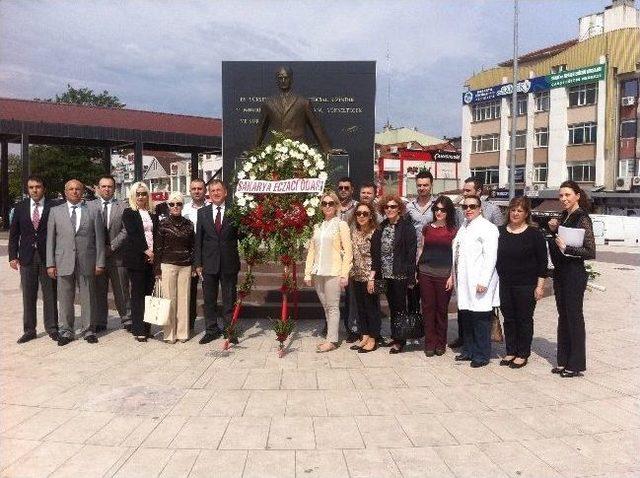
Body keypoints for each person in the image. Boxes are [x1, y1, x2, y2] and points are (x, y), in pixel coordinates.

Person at [46, 179, 105, 346]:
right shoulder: (55, 211)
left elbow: (99, 239)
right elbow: (50, 240)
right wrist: (50, 263)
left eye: (77, 189)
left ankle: (89, 330)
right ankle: (66, 331)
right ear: (65, 192)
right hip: (63, 260)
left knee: (88, 296)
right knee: (64, 298)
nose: (74, 192)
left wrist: (100, 262)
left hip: (87, 260)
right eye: (71, 189)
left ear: (82, 191)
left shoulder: (93, 210)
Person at [547, 181, 596, 378]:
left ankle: (575, 365)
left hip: (574, 274)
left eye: (567, 195)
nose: (564, 199)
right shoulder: (564, 216)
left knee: (574, 317)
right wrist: (553, 230)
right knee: (563, 316)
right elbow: (558, 245)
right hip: (561, 272)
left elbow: (591, 250)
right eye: (561, 195)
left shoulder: (582, 217)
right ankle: (563, 360)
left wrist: (568, 248)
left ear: (577, 195)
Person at [449, 176, 504, 349]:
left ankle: (481, 353)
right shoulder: (464, 223)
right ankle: (468, 349)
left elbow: (492, 254)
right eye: (465, 206)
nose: (467, 209)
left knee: (480, 317)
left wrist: (484, 280)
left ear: (480, 207)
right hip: (464, 278)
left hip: (480, 279)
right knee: (466, 314)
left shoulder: (490, 222)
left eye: (472, 206)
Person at [496, 196, 548, 369]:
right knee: (509, 318)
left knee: (524, 319)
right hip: (505, 283)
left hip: (526, 285)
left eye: (519, 210)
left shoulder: (534, 234)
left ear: (526, 213)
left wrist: (540, 286)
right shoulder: (500, 232)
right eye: (513, 210)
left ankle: (523, 353)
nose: (515, 213)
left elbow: (542, 263)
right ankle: (510, 350)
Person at [8, 175, 59, 343]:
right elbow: (14, 234)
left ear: (43, 188)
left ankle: (52, 328)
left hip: (48, 257)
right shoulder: (20, 207)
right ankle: (29, 330)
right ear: (27, 189)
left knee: (50, 293)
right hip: (27, 258)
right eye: (31, 187)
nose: (35, 190)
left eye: (38, 186)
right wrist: (12, 256)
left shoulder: (54, 206)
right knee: (28, 295)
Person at [194, 180, 241, 345]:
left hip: (229, 262)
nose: (215, 193)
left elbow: (242, 235)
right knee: (209, 300)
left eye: (218, 190)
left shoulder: (235, 212)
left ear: (225, 192)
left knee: (229, 299)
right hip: (209, 264)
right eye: (212, 190)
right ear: (209, 193)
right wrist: (198, 264)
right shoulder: (203, 213)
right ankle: (211, 330)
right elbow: (198, 240)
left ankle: (230, 331)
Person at [304, 191, 353, 352]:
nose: (327, 206)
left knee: (333, 306)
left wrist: (345, 274)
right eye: (324, 203)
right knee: (326, 306)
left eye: (330, 203)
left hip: (334, 271)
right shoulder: (317, 226)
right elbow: (312, 250)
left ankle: (331, 340)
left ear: (337, 205)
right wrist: (307, 273)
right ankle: (330, 336)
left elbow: (348, 252)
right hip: (318, 272)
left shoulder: (341, 225)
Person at [371, 194, 417, 354]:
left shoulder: (407, 227)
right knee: (392, 306)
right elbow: (376, 251)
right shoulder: (381, 226)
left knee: (399, 307)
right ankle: (395, 334)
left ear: (399, 209)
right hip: (385, 275)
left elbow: (411, 254)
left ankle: (400, 340)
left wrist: (411, 276)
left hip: (400, 275)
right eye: (386, 207)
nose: (389, 209)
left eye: (393, 207)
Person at [255, 66, 333, 153]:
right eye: (280, 78)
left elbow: (316, 126)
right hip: (276, 152)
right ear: (277, 80)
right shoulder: (268, 103)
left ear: (291, 79)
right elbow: (261, 129)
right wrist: (252, 151)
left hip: (299, 151)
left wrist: (327, 148)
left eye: (286, 77)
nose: (283, 81)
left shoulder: (303, 102)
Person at [89, 175, 130, 332]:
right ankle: (100, 321)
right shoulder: (89, 206)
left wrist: (112, 246)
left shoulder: (123, 206)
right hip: (97, 257)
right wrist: (99, 249)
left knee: (121, 289)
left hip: (117, 255)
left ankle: (127, 319)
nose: (106, 189)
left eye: (110, 186)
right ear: (98, 188)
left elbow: (126, 230)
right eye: (103, 186)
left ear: (114, 188)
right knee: (99, 290)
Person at [418, 195, 457, 357]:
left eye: (443, 210)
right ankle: (430, 343)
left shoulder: (453, 231)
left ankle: (441, 343)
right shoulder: (427, 228)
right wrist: (417, 270)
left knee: (441, 310)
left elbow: (455, 257)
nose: (439, 212)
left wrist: (452, 277)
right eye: (436, 209)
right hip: (426, 273)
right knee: (428, 309)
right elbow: (421, 249)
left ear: (448, 212)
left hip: (444, 276)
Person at [154, 192, 194, 343]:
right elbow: (158, 248)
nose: (175, 207)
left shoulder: (189, 224)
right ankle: (169, 334)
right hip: (167, 264)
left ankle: (183, 333)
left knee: (184, 300)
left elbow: (193, 246)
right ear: (168, 206)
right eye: (172, 204)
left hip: (185, 265)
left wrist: (193, 263)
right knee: (169, 300)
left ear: (183, 205)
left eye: (179, 204)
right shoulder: (163, 224)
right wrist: (157, 270)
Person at [121, 182, 158, 342]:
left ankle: (147, 327)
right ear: (133, 195)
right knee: (137, 295)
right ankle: (138, 329)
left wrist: (154, 252)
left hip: (152, 259)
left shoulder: (152, 213)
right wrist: (146, 250)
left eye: (144, 193)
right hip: (137, 259)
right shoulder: (129, 213)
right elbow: (134, 235)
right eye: (138, 193)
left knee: (149, 295)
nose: (141, 196)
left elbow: (156, 233)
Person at [348, 202, 379, 353]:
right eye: (358, 213)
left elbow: (377, 258)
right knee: (360, 308)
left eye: (365, 213)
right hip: (357, 275)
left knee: (371, 308)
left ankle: (373, 339)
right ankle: (364, 336)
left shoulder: (375, 233)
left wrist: (372, 278)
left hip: (371, 277)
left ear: (371, 215)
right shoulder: (354, 232)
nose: (361, 216)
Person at [182, 178, 209, 331]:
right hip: (189, 255)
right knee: (189, 292)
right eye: (194, 189)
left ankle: (210, 326)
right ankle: (189, 325)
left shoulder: (212, 208)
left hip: (207, 254)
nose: (197, 191)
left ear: (204, 190)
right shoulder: (184, 209)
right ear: (190, 191)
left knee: (208, 290)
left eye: (200, 188)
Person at [337, 176, 358, 342]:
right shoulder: (331, 206)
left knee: (351, 296)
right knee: (332, 294)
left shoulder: (358, 208)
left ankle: (351, 328)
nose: (343, 190)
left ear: (352, 190)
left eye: (346, 188)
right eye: (341, 188)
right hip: (334, 256)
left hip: (351, 257)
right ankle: (330, 325)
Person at [407, 170, 437, 247]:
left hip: (433, 248)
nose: (422, 188)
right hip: (414, 249)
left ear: (431, 185)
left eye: (425, 185)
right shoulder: (409, 206)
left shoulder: (438, 205)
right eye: (419, 185)